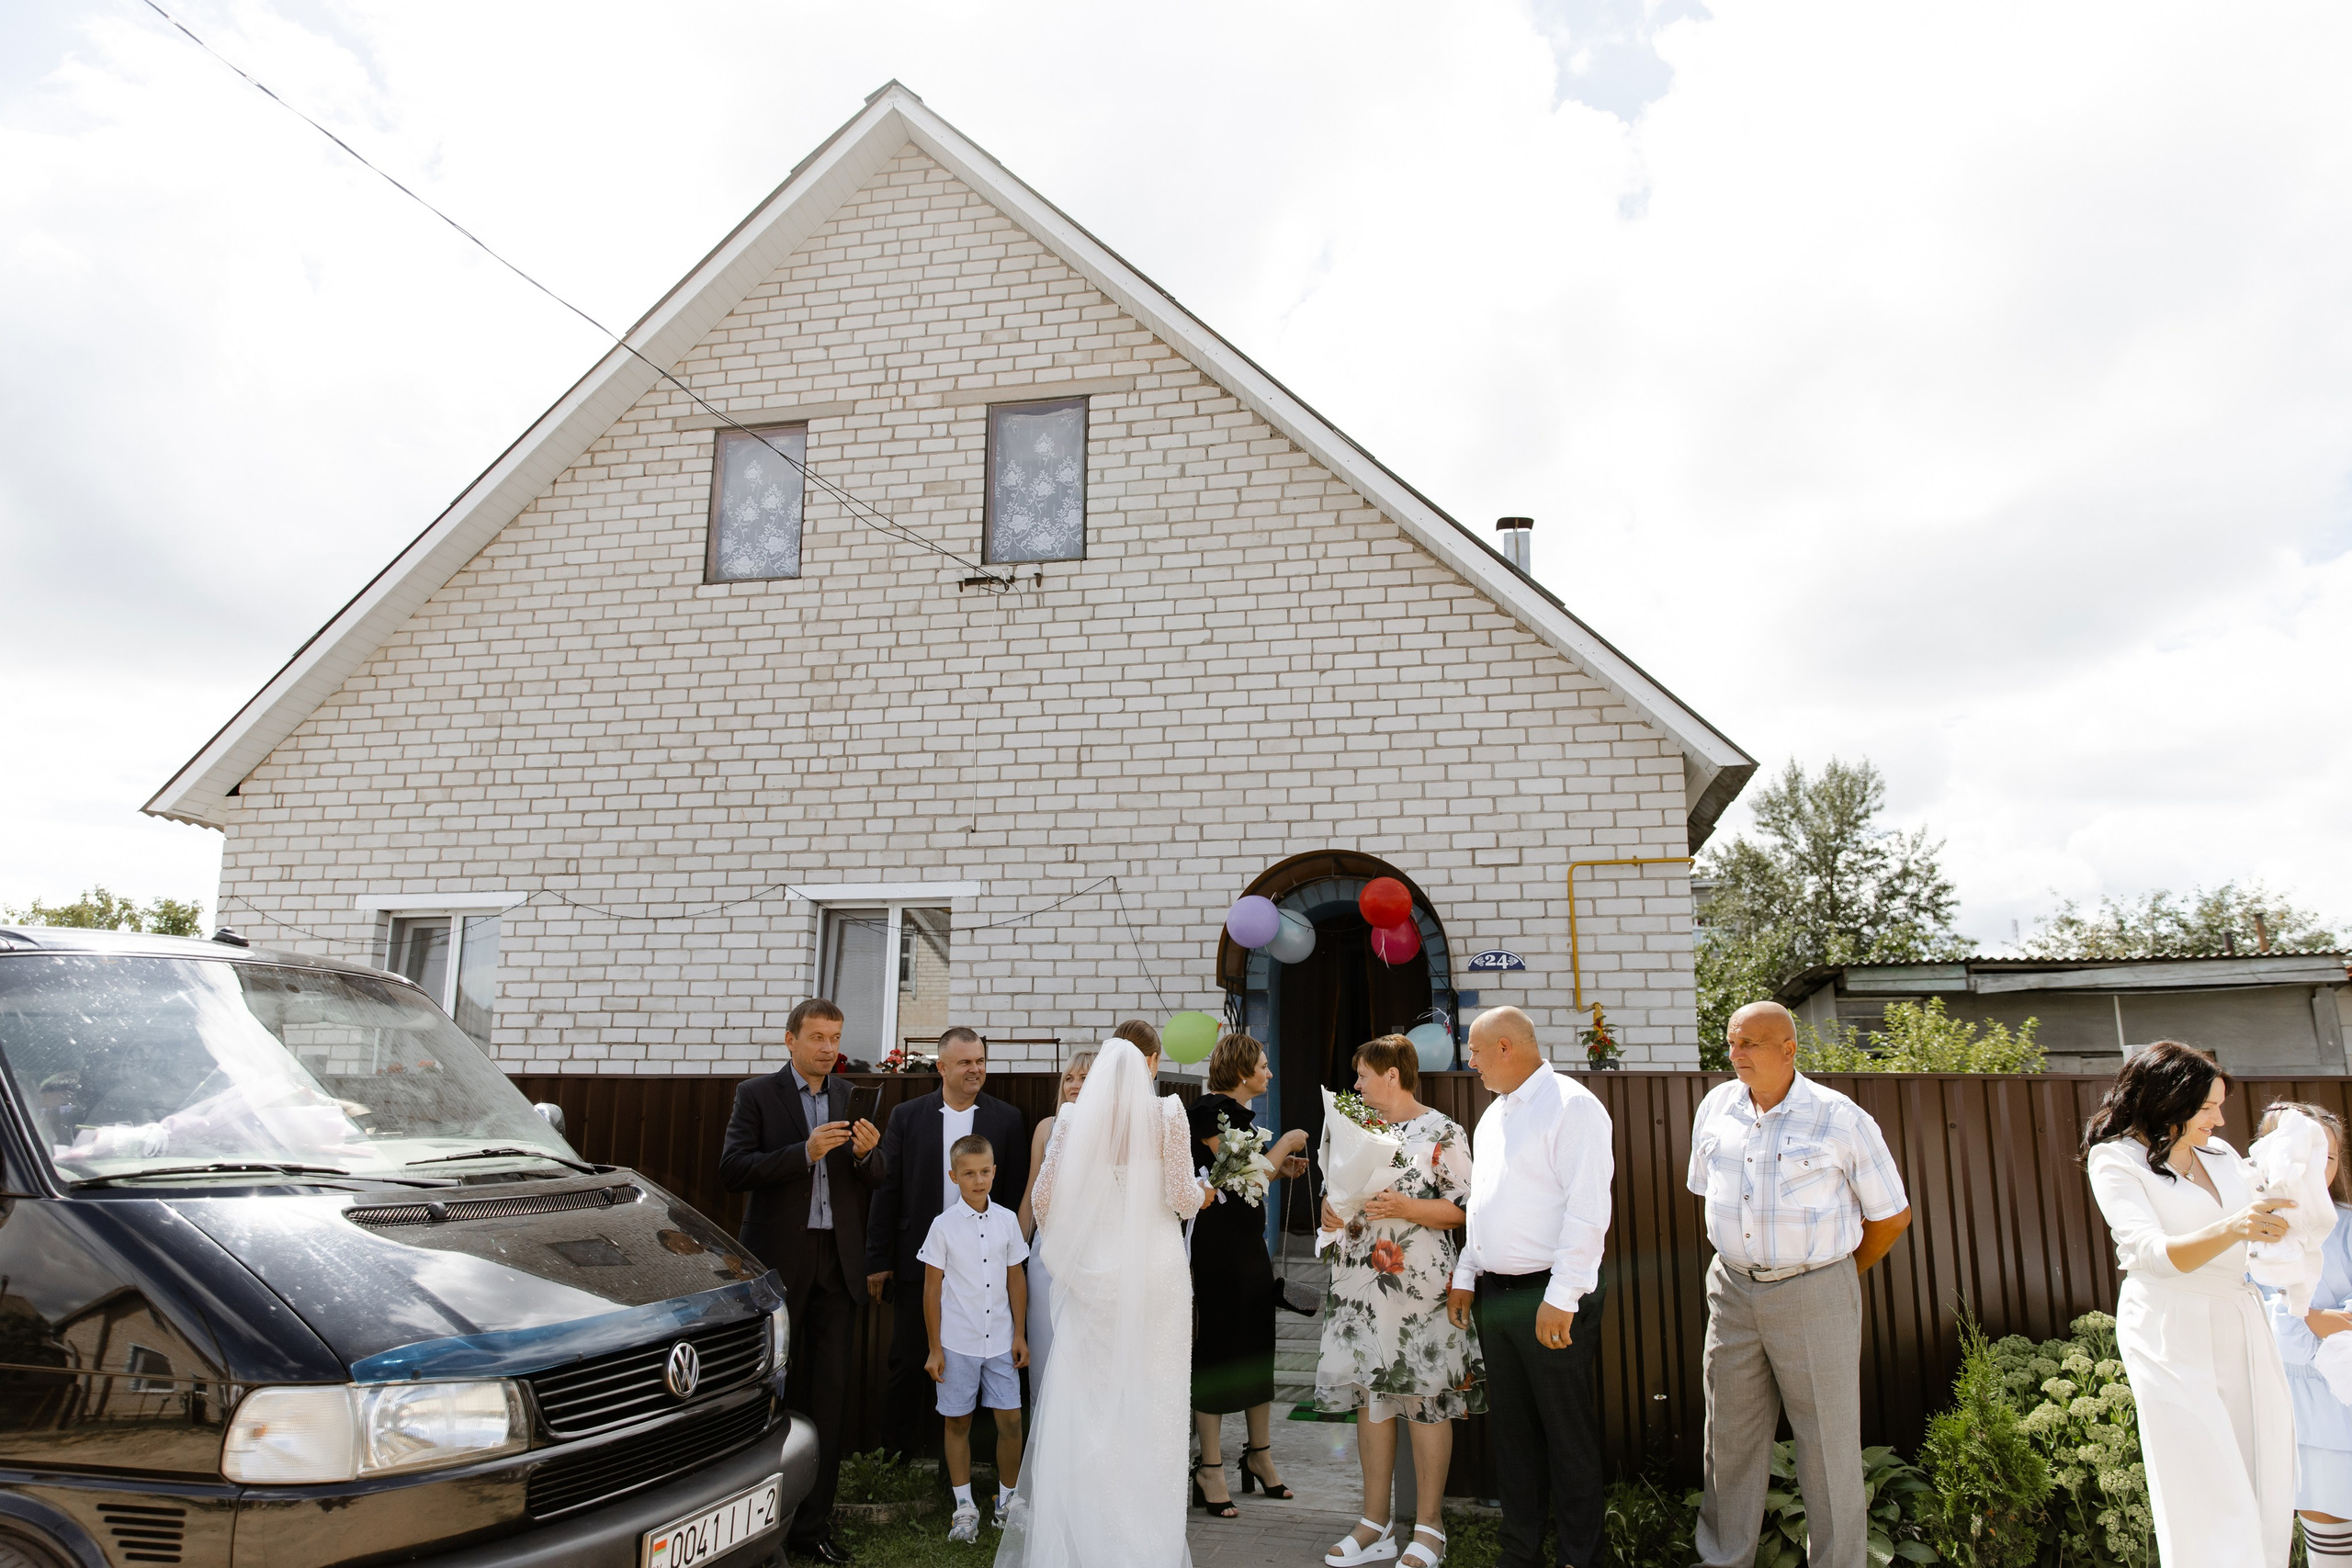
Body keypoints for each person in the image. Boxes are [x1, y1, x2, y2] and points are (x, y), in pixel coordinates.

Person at [1685, 1001, 1912, 1568]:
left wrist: (1836, 1274)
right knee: (1728, 1440)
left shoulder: (1840, 1117)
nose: (1735, 1055)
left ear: (1789, 1049)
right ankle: (1723, 1560)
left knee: (1828, 1447)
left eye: (1750, 1044)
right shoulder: (1716, 1108)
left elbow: (1891, 1216)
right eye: (1731, 1043)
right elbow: (1703, 1190)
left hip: (1815, 1291)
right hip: (1732, 1290)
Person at [993, 1037, 1212, 1568]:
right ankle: (1147, 1546)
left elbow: (1043, 1202)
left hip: (1097, 1281)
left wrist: (1074, 1259)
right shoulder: (1169, 1114)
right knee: (1153, 1407)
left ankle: (1085, 1539)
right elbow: (1183, 1197)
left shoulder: (1070, 1121)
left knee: (1089, 1408)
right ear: (1151, 1066)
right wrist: (1206, 1195)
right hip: (1156, 1278)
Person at [2085, 1040, 2295, 1568]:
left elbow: (2265, 1219)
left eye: (2220, 1105)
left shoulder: (2222, 1156)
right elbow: (2152, 1255)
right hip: (2168, 1326)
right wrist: (2234, 1227)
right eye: (2207, 1108)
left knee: (2258, 1462)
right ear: (2165, 1100)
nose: (2220, 1121)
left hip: (2240, 1316)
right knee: (2204, 1474)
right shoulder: (2116, 1160)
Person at [1442, 1007, 1612, 1568]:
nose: (1470, 1061)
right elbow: (1483, 1209)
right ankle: (1520, 1553)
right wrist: (1467, 1273)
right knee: (1513, 1435)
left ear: (1507, 1047)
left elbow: (1588, 1212)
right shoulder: (1493, 1116)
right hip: (1498, 1296)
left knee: (1566, 1435)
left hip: (1552, 1297)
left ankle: (1580, 1557)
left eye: (1475, 1050)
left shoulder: (1573, 1106)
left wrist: (1560, 1298)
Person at [719, 998, 882, 1565]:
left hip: (838, 1266)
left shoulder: (847, 1097)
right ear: (790, 1040)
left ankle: (814, 1526)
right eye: (817, 1037)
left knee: (830, 1396)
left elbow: (877, 1179)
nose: (828, 1048)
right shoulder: (756, 1096)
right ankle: (757, 1526)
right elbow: (732, 1169)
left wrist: (867, 1155)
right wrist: (801, 1153)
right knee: (771, 1393)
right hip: (781, 1265)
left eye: (835, 1038)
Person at [1317, 1034, 1482, 1568]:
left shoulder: (1443, 1131)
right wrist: (1330, 1210)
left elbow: (1468, 1211)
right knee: (1372, 1397)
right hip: (1361, 1286)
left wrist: (1410, 1207)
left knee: (1426, 1400)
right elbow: (1339, 1190)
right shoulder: (1357, 1129)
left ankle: (1430, 1527)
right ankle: (1375, 1524)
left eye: (1364, 1075)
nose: (1357, 1084)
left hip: (1421, 1291)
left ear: (1393, 1075)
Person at [866, 1027, 1029, 1461]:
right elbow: (888, 1189)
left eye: (980, 1061)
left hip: (984, 1269)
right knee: (907, 1358)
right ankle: (896, 1459)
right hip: (919, 1260)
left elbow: (1011, 1195)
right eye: (964, 1062)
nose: (975, 1069)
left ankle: (957, 1470)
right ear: (941, 1067)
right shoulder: (907, 1115)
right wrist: (878, 1259)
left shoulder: (1007, 1119)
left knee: (975, 1366)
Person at [1185, 1032, 1309, 1517]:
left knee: (1259, 1346)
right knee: (1219, 1349)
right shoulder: (1206, 1112)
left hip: (1249, 1248)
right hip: (1218, 1251)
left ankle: (1259, 1455)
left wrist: (1281, 1168)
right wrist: (1283, 1146)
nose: (1270, 1073)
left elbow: (1248, 1177)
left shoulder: (1240, 1117)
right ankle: (1210, 1467)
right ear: (1241, 1071)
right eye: (1263, 1064)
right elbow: (1237, 1175)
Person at [922, 1134, 1031, 1544]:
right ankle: (964, 1507)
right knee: (958, 1421)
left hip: (1002, 1341)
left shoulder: (1006, 1221)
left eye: (985, 1171)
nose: (978, 1180)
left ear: (994, 1172)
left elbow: (1015, 1279)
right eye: (969, 1173)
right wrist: (935, 1348)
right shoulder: (943, 1226)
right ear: (954, 1176)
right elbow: (932, 1290)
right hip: (958, 1342)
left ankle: (1006, 1501)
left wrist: (1019, 1333)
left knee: (1011, 1420)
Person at [2257, 1101, 2352, 1568]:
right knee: (2328, 1535)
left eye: (2330, 1156)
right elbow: (2265, 1319)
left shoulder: (2349, 1224)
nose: (2321, 1167)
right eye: (2310, 1155)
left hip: (2348, 1390)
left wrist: (2308, 1315)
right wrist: (2311, 1317)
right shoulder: (2250, 1231)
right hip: (2299, 1404)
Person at [1018, 1049, 1096, 1389]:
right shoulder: (1046, 1129)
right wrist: (1019, 1248)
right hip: (1045, 1255)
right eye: (1069, 1078)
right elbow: (1032, 1192)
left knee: (1086, 1355)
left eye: (1084, 1077)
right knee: (1045, 1344)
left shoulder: (1110, 1130)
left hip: (1092, 1253)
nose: (1074, 1085)